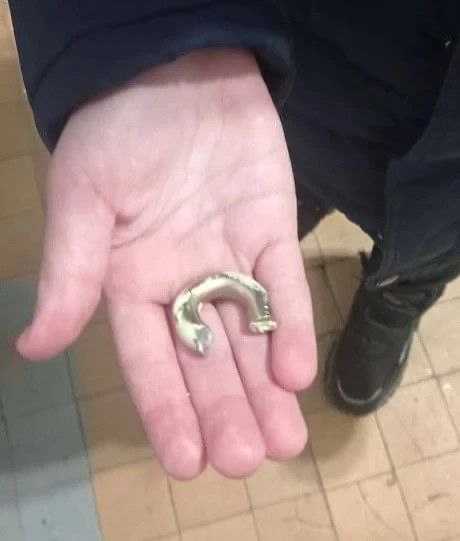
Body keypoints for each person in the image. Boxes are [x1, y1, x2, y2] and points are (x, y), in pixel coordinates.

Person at [6, 0, 459, 481]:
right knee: (286, 177)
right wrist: (146, 30)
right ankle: (290, 210)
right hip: (301, 66)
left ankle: (399, 291)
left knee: (430, 251)